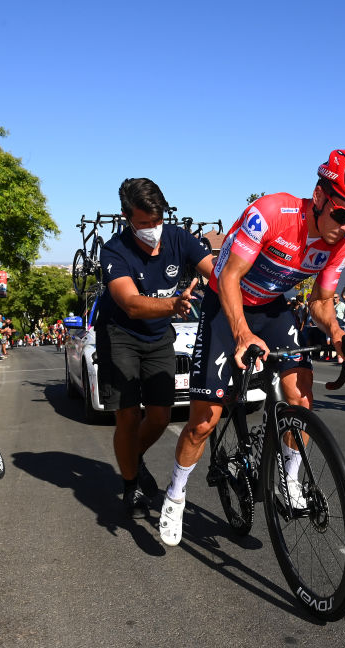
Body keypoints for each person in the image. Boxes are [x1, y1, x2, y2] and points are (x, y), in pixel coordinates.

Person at [162, 149, 345, 546]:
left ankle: (291, 481)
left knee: (300, 397)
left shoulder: (341, 243)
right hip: (225, 301)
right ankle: (175, 495)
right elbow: (229, 277)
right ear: (319, 197)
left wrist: (335, 330)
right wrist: (242, 334)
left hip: (271, 306)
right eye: (343, 214)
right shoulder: (271, 213)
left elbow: (319, 300)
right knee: (202, 421)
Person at [98, 178, 214, 518]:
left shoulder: (179, 238)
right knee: (129, 415)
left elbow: (214, 271)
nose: (153, 229)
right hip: (120, 333)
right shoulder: (114, 250)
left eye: (158, 220)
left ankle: (131, 457)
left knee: (161, 416)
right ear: (126, 218)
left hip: (159, 335)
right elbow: (131, 304)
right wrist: (172, 306)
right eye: (145, 223)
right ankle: (130, 485)